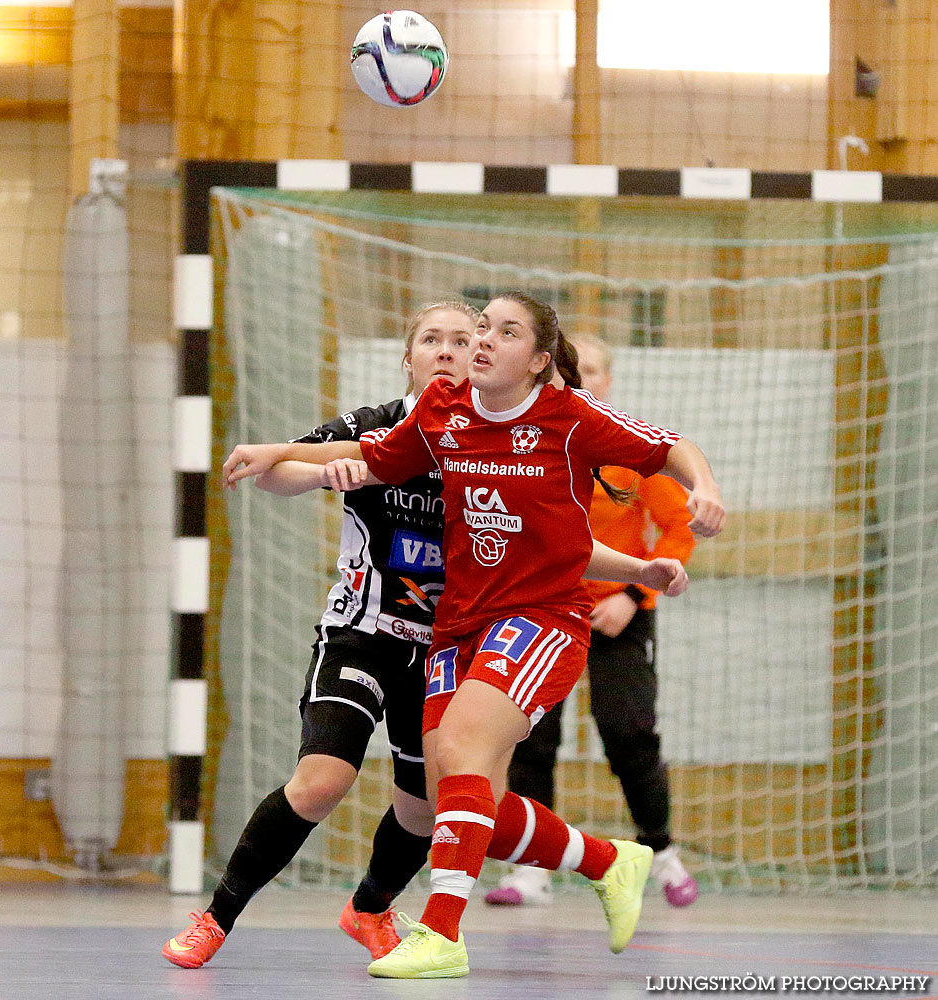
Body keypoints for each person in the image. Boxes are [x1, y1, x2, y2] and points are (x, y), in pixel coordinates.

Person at [230, 291, 725, 978]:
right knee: (461, 804)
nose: (482, 340)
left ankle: (440, 933)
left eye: (504, 331)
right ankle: (611, 861)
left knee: (464, 746)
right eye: (481, 328)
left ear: (538, 360)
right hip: (458, 626)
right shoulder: (443, 414)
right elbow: (372, 453)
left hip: (541, 620)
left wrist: (702, 488)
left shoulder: (569, 417)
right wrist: (286, 454)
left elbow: (670, 448)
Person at [162, 301, 479, 969]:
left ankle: (368, 908)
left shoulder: (491, 443)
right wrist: (321, 473)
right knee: (320, 782)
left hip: (442, 650)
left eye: (459, 340)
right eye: (431, 339)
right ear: (409, 356)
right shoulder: (373, 426)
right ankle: (216, 918)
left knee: (423, 809)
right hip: (360, 634)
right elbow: (277, 471)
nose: (445, 350)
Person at [485, 334, 699, 911]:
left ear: (608, 381)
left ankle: (661, 852)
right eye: (571, 371)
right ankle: (531, 871)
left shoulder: (627, 448)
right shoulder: (529, 446)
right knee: (530, 738)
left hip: (616, 617)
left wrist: (632, 593)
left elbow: (677, 529)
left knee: (630, 733)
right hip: (543, 611)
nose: (583, 379)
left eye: (596, 370)